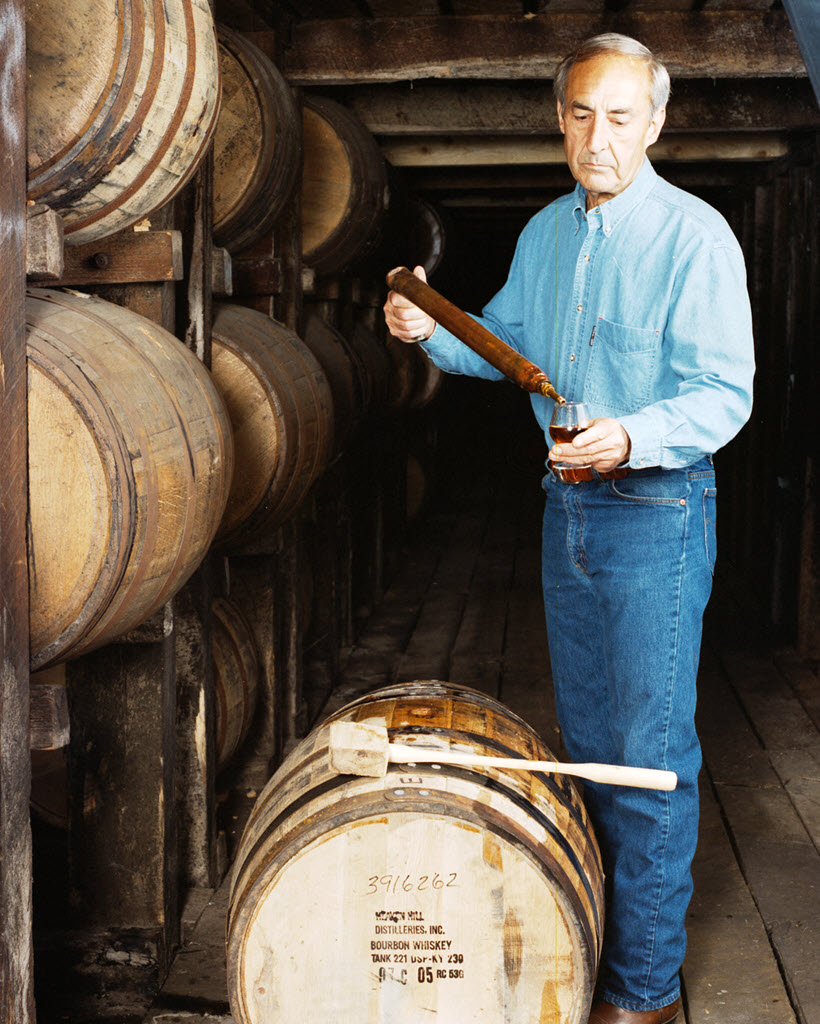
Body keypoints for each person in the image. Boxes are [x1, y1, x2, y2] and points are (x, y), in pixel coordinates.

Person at [384, 32, 755, 1024]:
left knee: (645, 758)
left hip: (655, 514)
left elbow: (725, 393)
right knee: (586, 743)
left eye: (622, 116)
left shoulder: (694, 236)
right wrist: (434, 330)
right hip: (569, 514)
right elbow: (507, 353)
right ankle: (590, 944)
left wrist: (629, 436)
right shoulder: (548, 233)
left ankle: (642, 995)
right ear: (559, 121)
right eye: (582, 114)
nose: (600, 136)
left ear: (657, 123)